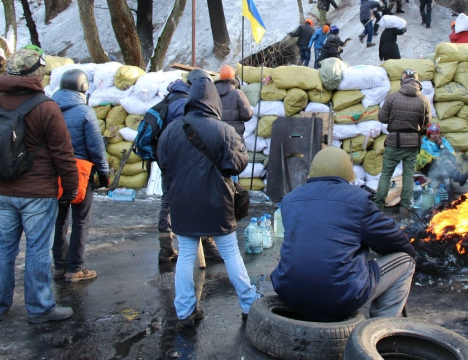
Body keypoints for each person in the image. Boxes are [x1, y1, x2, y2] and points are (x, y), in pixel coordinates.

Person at [0, 47, 78, 324]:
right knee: (37, 249)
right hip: (37, 192)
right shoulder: (46, 107)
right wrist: (70, 188)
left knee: (3, 248)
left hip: (1, 189)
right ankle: (40, 307)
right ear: (37, 73)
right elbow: (63, 153)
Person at [158, 72, 258, 326]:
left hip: (182, 203)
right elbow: (237, 165)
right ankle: (248, 304)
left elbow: (164, 163)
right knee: (231, 253)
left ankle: (184, 311)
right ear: (214, 102)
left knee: (186, 256)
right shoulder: (224, 130)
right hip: (217, 203)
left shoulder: (170, 130)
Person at [271, 147, 416, 321]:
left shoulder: (290, 199)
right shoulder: (358, 200)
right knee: (406, 261)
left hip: (288, 291)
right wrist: (414, 256)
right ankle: (381, 328)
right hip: (340, 297)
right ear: (348, 173)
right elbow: (394, 238)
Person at [51, 69, 110, 283]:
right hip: (80, 173)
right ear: (83, 88)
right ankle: (75, 267)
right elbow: (96, 148)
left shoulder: (48, 109)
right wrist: (104, 174)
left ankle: (59, 264)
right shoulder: (85, 112)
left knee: (58, 219)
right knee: (80, 219)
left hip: (53, 172)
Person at [375, 70, 431, 211]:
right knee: (408, 175)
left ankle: (378, 207)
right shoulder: (424, 100)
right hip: (413, 142)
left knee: (386, 174)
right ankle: (405, 208)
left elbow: (382, 118)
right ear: (417, 82)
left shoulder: (393, 97)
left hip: (394, 142)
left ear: (402, 81)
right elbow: (426, 123)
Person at [155, 78, 192, 262]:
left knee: (166, 200)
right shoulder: (185, 103)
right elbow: (183, 132)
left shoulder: (167, 100)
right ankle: (200, 246)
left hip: (164, 155)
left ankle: (165, 247)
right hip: (180, 157)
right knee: (194, 198)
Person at [215, 66, 253, 136]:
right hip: (234, 135)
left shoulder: (212, 93)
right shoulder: (238, 93)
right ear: (233, 77)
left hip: (216, 134)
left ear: (220, 77)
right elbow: (247, 115)